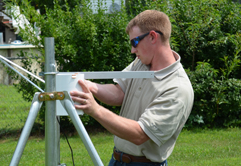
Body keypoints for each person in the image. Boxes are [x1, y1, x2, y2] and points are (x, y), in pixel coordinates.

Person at [70, 10, 194, 166]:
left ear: (152, 37)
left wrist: (96, 110)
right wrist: (90, 86)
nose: (132, 50)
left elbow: (139, 134)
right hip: (116, 160)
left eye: (134, 42)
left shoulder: (177, 88)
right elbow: (119, 92)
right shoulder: (141, 63)